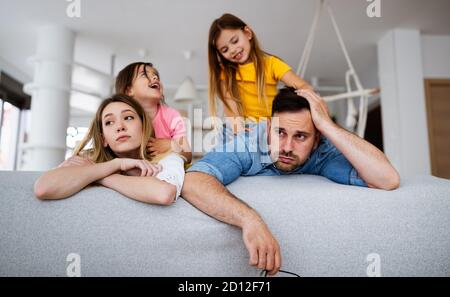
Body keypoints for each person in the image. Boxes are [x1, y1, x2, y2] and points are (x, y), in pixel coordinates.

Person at [181, 87, 400, 275]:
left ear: (317, 140)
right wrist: (250, 220)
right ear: (268, 128)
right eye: (280, 132)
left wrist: (328, 126)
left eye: (301, 136)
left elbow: (387, 179)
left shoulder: (322, 152)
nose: (286, 147)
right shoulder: (248, 144)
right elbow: (193, 180)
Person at [34, 94, 185, 205]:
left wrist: (99, 175)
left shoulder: (168, 158)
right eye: (109, 122)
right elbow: (43, 188)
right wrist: (116, 165)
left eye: (128, 118)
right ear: (104, 139)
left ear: (144, 127)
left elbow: (163, 194)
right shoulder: (87, 159)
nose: (120, 127)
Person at [208, 13, 313, 135]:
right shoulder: (225, 73)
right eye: (225, 50)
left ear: (248, 33)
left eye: (235, 41)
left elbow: (305, 87)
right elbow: (231, 109)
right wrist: (240, 132)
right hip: (245, 129)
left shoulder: (272, 64)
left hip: (272, 127)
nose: (232, 50)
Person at [115, 62, 192, 164]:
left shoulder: (171, 115)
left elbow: (188, 154)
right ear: (129, 90)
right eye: (144, 74)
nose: (155, 77)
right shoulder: (123, 117)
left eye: (156, 75)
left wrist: (171, 145)